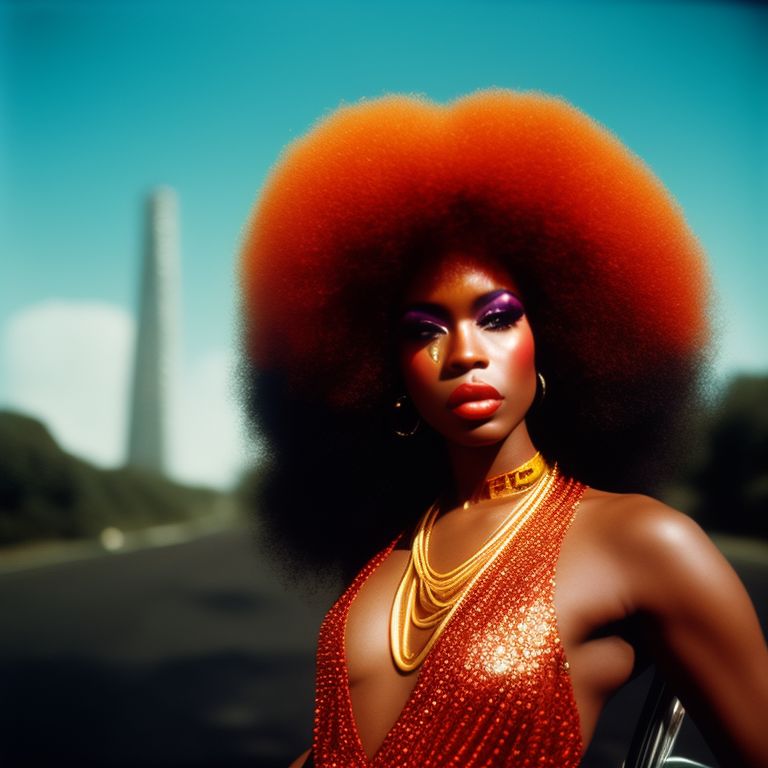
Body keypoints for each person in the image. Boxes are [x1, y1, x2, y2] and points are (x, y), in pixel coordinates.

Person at [239, 91, 768, 767]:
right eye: (423, 331)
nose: (463, 353)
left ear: (558, 337)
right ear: (382, 369)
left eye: (497, 317)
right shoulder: (383, 549)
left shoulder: (643, 543)